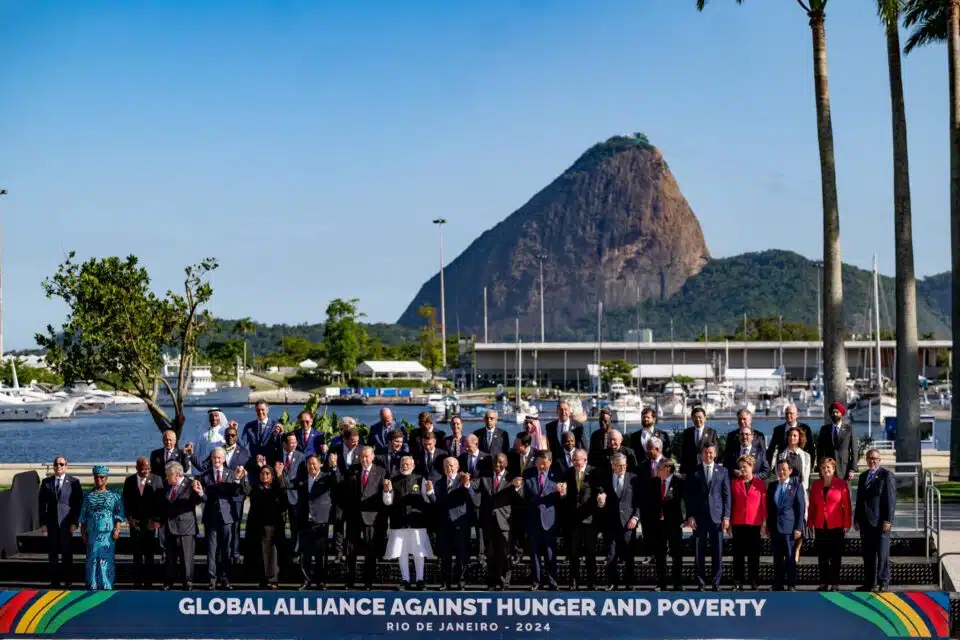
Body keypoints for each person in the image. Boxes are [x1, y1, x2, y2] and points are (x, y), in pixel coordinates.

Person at [290, 452, 340, 591]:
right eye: (309, 464)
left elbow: (337, 481)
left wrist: (334, 466)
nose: (312, 466)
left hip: (321, 521)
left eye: (314, 463)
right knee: (304, 554)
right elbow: (288, 485)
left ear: (320, 464)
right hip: (305, 520)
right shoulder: (302, 479)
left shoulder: (327, 477)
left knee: (321, 554)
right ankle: (306, 580)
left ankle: (321, 581)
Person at [383, 455, 434, 591]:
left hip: (417, 521)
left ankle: (420, 579)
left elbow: (427, 499)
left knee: (419, 552)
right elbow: (387, 501)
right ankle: (405, 580)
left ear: (413, 465)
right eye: (402, 463)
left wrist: (430, 490)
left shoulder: (420, 479)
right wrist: (387, 491)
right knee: (402, 551)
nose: (404, 466)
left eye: (407, 464)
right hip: (399, 522)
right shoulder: (393, 480)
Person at [199, 447, 246, 589]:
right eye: (214, 458)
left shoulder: (232, 474)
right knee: (211, 551)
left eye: (219, 458)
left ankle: (226, 579)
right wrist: (201, 494)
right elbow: (205, 498)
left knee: (226, 550)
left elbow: (236, 493)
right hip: (211, 518)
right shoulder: (205, 476)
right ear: (211, 459)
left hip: (227, 517)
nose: (217, 460)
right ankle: (212, 580)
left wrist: (237, 479)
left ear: (224, 459)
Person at [685, 443, 730, 591]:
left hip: (717, 517)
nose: (708, 455)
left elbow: (726, 495)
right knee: (699, 553)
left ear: (715, 453)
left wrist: (726, 516)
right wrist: (690, 515)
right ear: (701, 454)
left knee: (718, 552)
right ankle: (701, 582)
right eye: (705, 452)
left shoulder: (723, 471)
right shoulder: (694, 472)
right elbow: (689, 496)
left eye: (711, 452)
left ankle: (716, 583)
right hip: (699, 518)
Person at [472, 453, 518, 590]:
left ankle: (505, 582)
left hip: (504, 521)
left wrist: (517, 487)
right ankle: (492, 581)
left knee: (504, 553)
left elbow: (519, 497)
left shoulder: (512, 478)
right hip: (488, 521)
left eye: (500, 462)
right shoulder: (485, 477)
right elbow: (474, 486)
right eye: (495, 463)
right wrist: (467, 482)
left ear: (506, 463)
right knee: (490, 554)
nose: (497, 465)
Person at [519, 451, 562, 591]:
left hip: (549, 521)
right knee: (534, 553)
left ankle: (552, 581)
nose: (542, 466)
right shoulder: (528, 473)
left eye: (545, 463)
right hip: (532, 520)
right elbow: (523, 495)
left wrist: (562, 492)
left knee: (550, 553)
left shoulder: (556, 475)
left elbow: (562, 498)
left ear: (550, 462)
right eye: (539, 462)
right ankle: (536, 581)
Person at [345, 447, 387, 589]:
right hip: (353, 516)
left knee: (370, 549)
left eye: (367, 456)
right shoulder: (353, 470)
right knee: (350, 549)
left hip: (371, 517)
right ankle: (350, 580)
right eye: (362, 457)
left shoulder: (380, 471)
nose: (364, 459)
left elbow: (383, 495)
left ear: (373, 456)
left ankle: (368, 581)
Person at [597, 452, 640, 591]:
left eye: (624, 465)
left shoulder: (633, 478)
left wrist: (635, 517)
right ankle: (613, 583)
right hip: (610, 524)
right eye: (619, 466)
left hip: (628, 523)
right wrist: (601, 502)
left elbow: (639, 502)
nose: (622, 468)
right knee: (611, 555)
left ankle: (629, 583)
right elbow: (600, 498)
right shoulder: (604, 479)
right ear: (612, 465)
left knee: (628, 554)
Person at [855, 449, 896, 592]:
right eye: (870, 458)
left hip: (881, 522)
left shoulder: (886, 475)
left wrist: (888, 520)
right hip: (866, 522)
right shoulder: (863, 476)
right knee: (868, 554)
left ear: (879, 460)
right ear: (866, 460)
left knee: (883, 553)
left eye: (875, 458)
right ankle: (869, 583)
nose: (872, 461)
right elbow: (860, 499)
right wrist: (857, 519)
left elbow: (891, 500)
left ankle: (883, 582)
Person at [808, 457, 852, 591]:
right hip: (820, 526)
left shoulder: (841, 484)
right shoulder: (815, 485)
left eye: (828, 467)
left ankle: (834, 583)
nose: (826, 470)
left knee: (835, 556)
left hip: (836, 526)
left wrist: (847, 523)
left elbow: (847, 506)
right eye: (823, 468)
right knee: (822, 556)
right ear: (820, 470)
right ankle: (823, 582)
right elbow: (812, 506)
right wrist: (810, 522)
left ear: (833, 469)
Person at [39, 456, 83, 588]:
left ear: (66, 466)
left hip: (67, 523)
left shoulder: (74, 482)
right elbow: (41, 504)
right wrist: (43, 523)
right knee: (53, 553)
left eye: (61, 464)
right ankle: (55, 581)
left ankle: (68, 580)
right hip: (52, 523)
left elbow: (78, 503)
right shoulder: (46, 482)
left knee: (67, 552)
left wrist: (75, 522)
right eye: (56, 464)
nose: (59, 466)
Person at [243, 463, 288, 589]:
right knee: (261, 553)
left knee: (273, 553)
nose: (264, 475)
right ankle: (263, 579)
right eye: (262, 473)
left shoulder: (276, 487)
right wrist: (244, 477)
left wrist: (279, 476)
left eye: (267, 473)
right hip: (258, 526)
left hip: (273, 525)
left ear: (272, 476)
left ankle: (273, 579)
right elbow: (246, 490)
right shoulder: (256, 488)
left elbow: (284, 494)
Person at [79, 466, 124, 590]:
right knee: (92, 559)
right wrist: (83, 533)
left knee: (106, 560)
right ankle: (92, 584)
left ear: (106, 479)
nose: (98, 479)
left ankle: (106, 585)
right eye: (96, 477)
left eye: (101, 477)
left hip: (107, 534)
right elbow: (83, 515)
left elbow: (119, 514)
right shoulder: (88, 495)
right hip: (92, 532)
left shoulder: (114, 495)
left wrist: (117, 529)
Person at [121, 457, 163, 588]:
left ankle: (149, 582)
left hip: (150, 523)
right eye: (143, 469)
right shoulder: (130, 481)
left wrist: (156, 520)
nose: (146, 471)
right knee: (137, 554)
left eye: (148, 469)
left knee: (149, 554)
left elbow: (160, 502)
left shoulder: (157, 479)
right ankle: (137, 582)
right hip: (135, 523)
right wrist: (130, 518)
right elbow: (125, 502)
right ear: (137, 468)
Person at [162, 461, 203, 591]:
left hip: (186, 528)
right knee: (170, 558)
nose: (167, 477)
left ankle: (188, 582)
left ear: (177, 474)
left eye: (169, 475)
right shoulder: (168, 486)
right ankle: (169, 582)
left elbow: (197, 501)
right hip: (170, 527)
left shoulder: (190, 484)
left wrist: (199, 493)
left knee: (187, 557)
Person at [432, 457, 472, 590]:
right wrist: (429, 492)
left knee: (461, 555)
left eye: (451, 466)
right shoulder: (439, 482)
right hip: (443, 525)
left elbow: (469, 497)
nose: (449, 468)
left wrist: (467, 484)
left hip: (459, 524)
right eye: (446, 466)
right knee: (445, 556)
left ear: (457, 466)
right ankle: (446, 582)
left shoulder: (463, 480)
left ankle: (461, 582)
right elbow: (436, 502)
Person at [645, 458, 685, 592]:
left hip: (674, 523)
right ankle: (661, 583)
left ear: (667, 469)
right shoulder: (654, 482)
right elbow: (649, 503)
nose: (657, 470)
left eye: (659, 468)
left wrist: (686, 518)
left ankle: (677, 583)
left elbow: (686, 501)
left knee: (676, 554)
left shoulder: (679, 481)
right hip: (658, 524)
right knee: (660, 555)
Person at [766, 459, 806, 591]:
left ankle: (791, 584)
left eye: (784, 469)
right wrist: (768, 526)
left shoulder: (796, 486)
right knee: (777, 558)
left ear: (790, 471)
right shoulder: (772, 486)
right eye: (779, 469)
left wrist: (799, 527)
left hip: (790, 528)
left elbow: (800, 508)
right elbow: (770, 508)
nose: (781, 471)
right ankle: (778, 583)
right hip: (775, 527)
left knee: (790, 557)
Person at [729, 455, 767, 591]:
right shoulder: (734, 483)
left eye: (745, 467)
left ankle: (754, 581)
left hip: (754, 524)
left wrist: (764, 524)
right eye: (740, 467)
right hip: (738, 523)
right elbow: (731, 504)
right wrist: (730, 523)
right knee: (738, 555)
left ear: (752, 467)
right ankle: (738, 581)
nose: (742, 470)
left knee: (753, 555)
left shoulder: (760, 483)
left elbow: (763, 505)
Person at [563, 448, 598, 590]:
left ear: (585, 459)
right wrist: (562, 494)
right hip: (573, 521)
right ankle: (574, 581)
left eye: (578, 459)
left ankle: (591, 582)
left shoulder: (594, 472)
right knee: (573, 553)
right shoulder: (568, 472)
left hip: (589, 520)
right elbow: (565, 497)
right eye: (574, 459)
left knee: (590, 553)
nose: (576, 462)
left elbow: (599, 492)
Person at [219, 425, 251, 565]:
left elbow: (250, 470)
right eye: (228, 435)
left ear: (236, 436)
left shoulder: (244, 452)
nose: (230, 437)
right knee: (224, 525)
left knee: (236, 525)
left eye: (232, 435)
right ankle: (224, 552)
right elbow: (207, 465)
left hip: (237, 494)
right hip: (223, 494)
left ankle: (236, 553)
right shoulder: (219, 451)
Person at [277, 432, 306, 560]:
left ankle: (296, 551)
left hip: (295, 496)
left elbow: (302, 478)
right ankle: (281, 551)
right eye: (291, 442)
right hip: (280, 496)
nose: (293, 445)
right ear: (285, 443)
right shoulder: (277, 455)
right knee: (279, 525)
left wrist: (289, 484)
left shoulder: (301, 456)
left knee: (295, 526)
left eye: (295, 442)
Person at [817, 402, 859, 482]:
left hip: (845, 469)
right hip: (828, 469)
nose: (835, 414)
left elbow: (854, 450)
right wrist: (820, 468)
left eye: (837, 412)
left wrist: (852, 469)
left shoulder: (849, 429)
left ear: (841, 414)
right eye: (833, 412)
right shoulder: (824, 429)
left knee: (844, 493)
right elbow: (820, 450)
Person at [679, 407, 718, 475]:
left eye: (700, 417)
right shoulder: (687, 432)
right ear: (692, 418)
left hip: (706, 469)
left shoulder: (711, 432)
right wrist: (682, 470)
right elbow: (683, 452)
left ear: (705, 418)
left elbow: (715, 452)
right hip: (690, 470)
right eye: (695, 417)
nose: (698, 419)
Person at [778, 426, 812, 493]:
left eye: (795, 436)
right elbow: (778, 475)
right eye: (790, 435)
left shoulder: (806, 456)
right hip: (785, 491)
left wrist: (801, 492)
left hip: (800, 491)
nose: (792, 437)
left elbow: (806, 477)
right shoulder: (781, 456)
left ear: (799, 438)